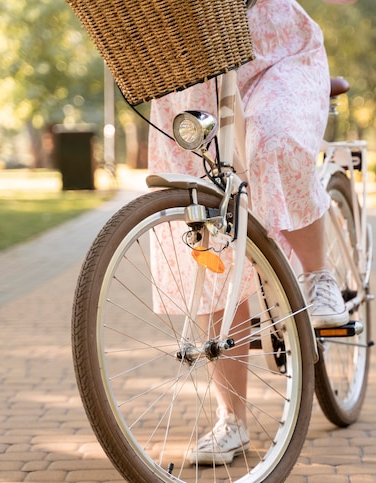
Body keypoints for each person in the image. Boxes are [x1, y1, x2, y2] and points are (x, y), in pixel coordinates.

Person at [148, 0, 355, 465]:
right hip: (187, 66)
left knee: (274, 140)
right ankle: (232, 421)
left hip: (277, 54)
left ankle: (319, 277)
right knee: (204, 218)